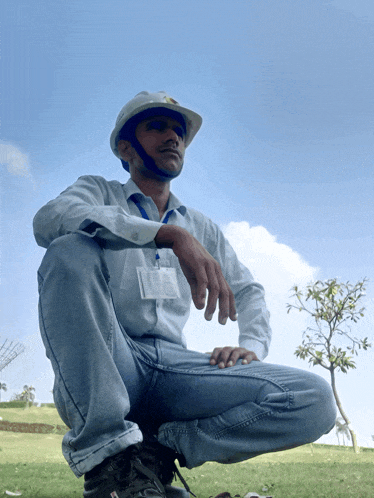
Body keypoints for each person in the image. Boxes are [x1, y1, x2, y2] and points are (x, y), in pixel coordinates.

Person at [33, 91, 336, 498]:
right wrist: (165, 235)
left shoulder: (201, 226)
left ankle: (163, 448)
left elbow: (249, 290)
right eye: (157, 126)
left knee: (313, 399)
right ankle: (110, 460)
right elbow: (48, 219)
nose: (173, 137)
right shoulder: (98, 192)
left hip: (176, 369)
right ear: (126, 147)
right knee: (67, 249)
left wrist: (252, 345)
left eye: (179, 131)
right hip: (112, 360)